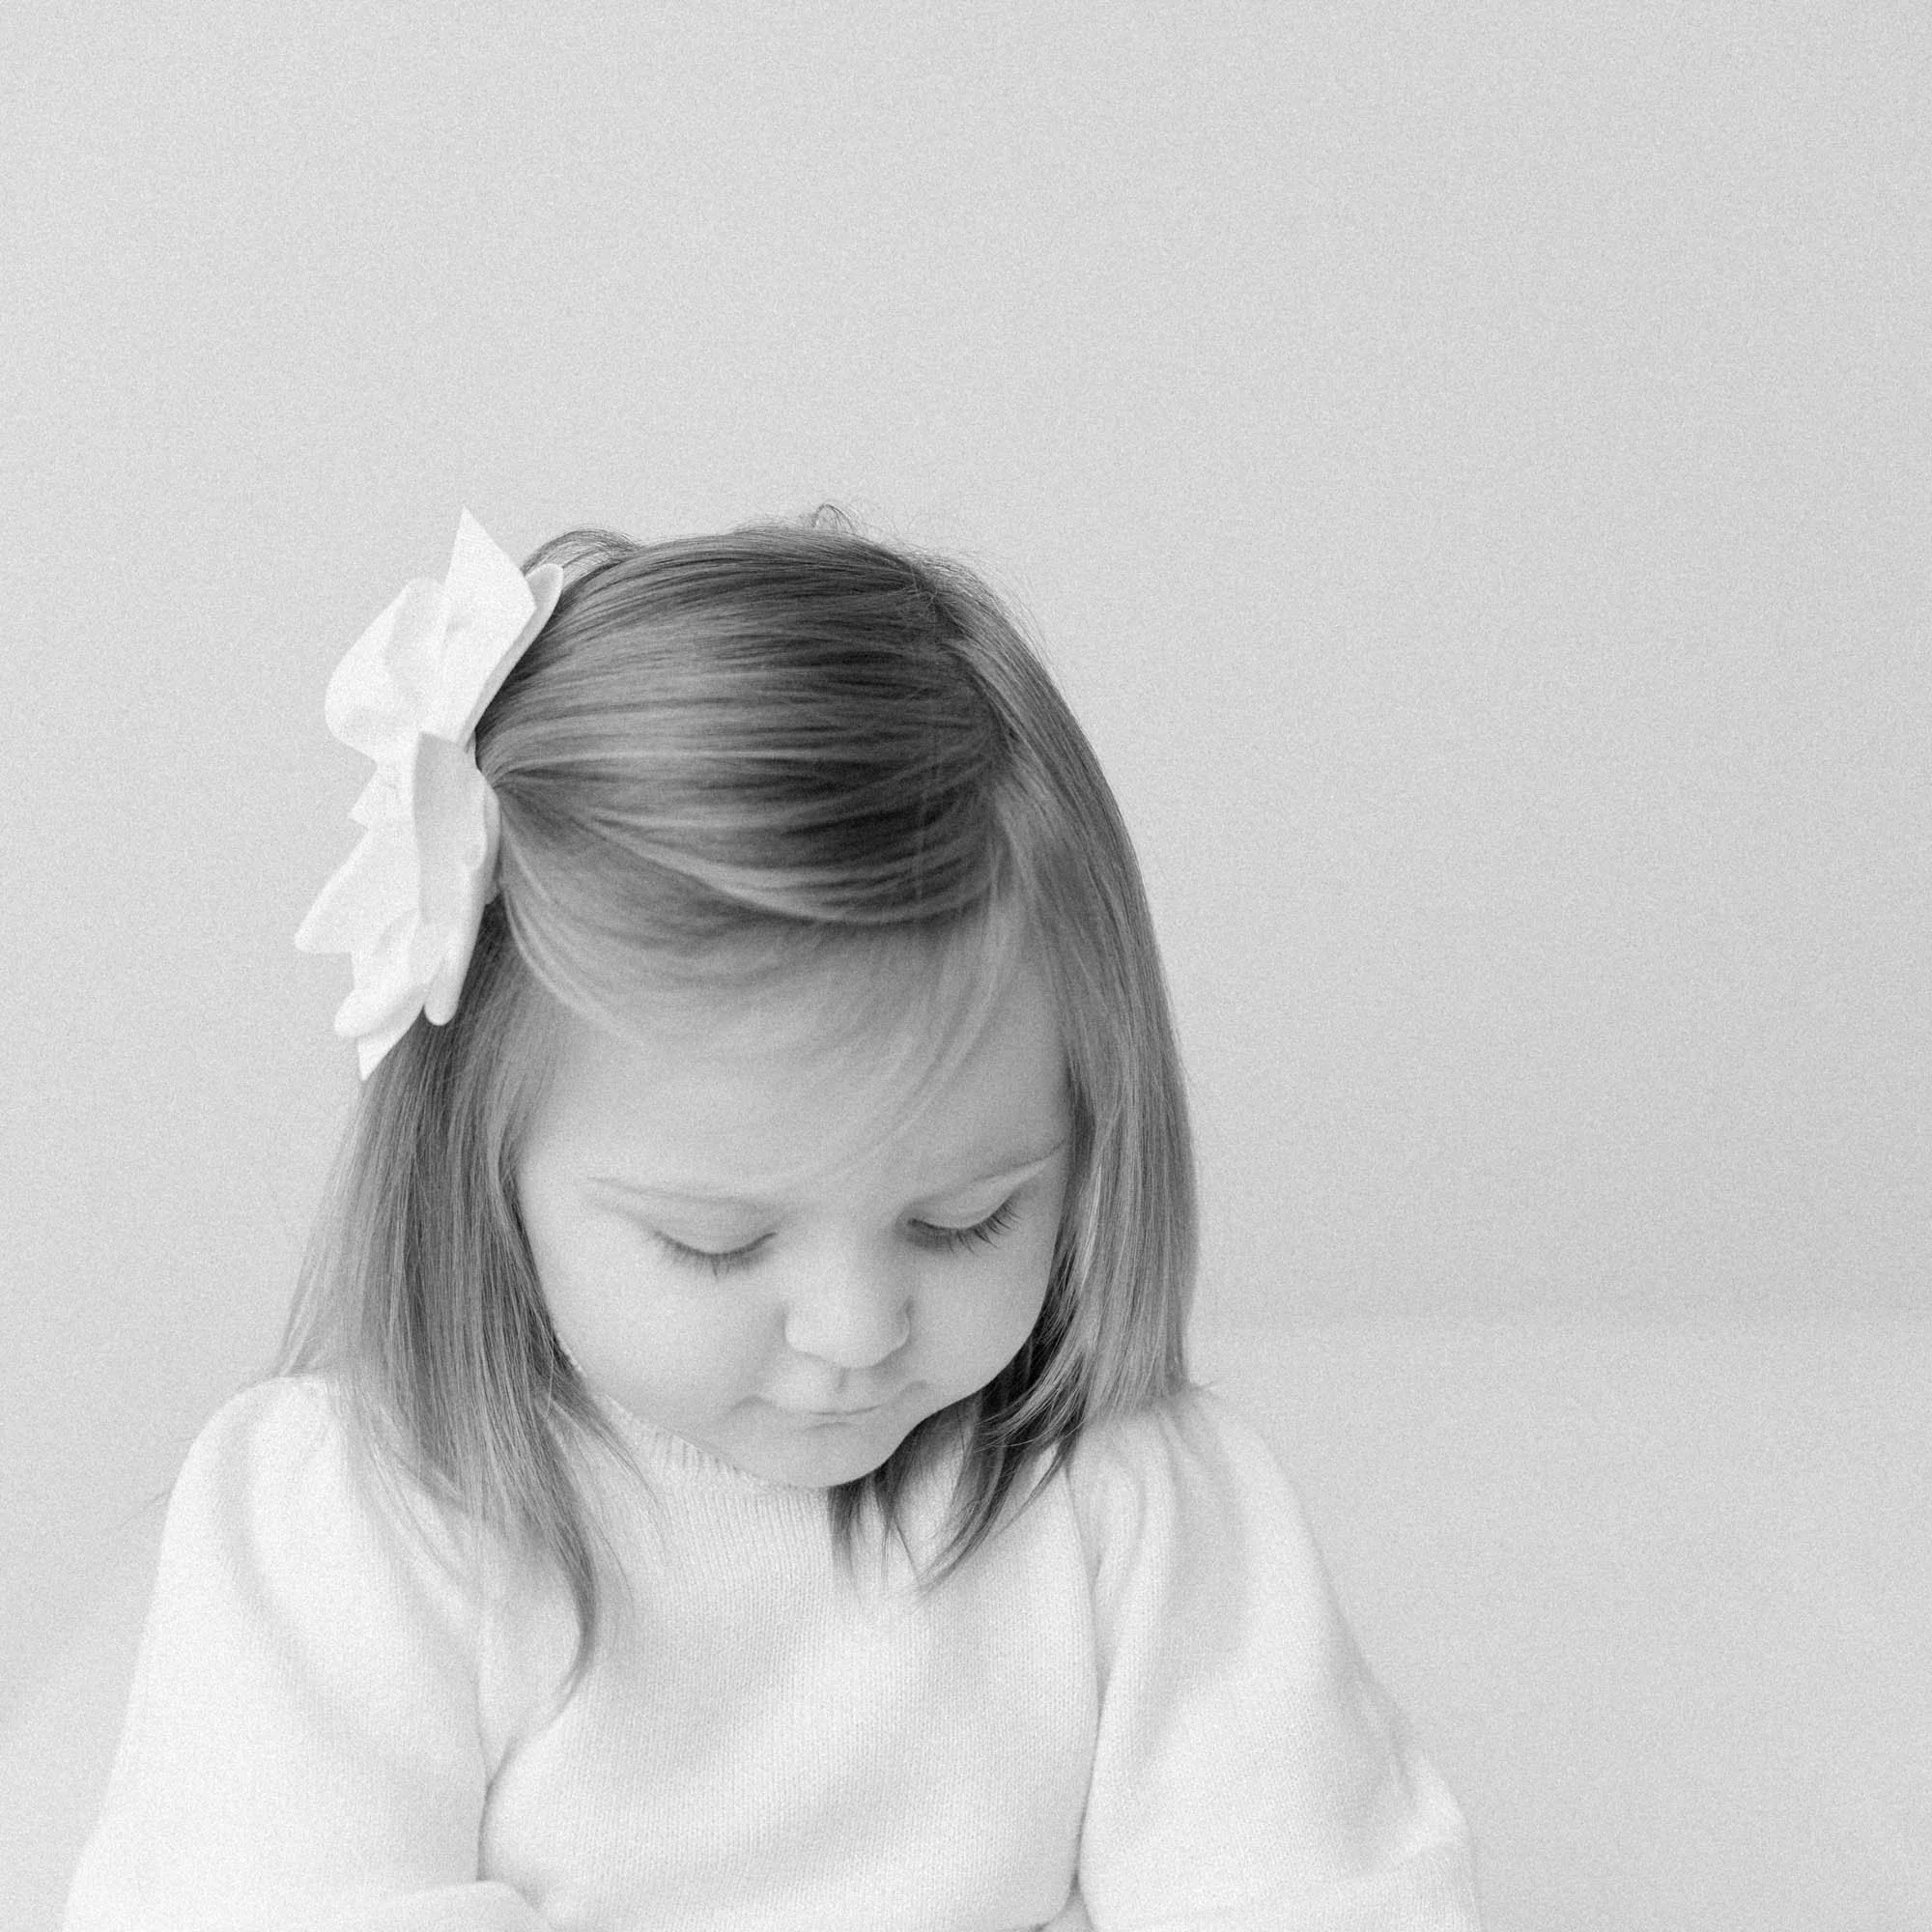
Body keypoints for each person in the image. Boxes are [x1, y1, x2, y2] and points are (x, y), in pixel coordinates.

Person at [64, 510, 1483, 1930]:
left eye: (966, 1221)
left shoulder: (1133, 1511)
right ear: (480, 1172)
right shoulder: (368, 1527)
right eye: (718, 1244)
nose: (857, 1330)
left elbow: (1328, 1889)